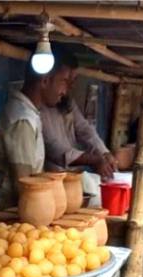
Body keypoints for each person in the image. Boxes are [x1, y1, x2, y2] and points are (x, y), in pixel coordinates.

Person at [0, 56, 72, 208]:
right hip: (11, 213)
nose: (65, 91)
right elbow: (25, 185)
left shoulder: (30, 114)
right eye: (64, 81)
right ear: (45, 81)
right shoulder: (22, 119)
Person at [40, 51, 116, 180]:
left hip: (72, 178)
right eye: (65, 81)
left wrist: (104, 152)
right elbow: (56, 150)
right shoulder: (38, 111)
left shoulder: (67, 102)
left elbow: (85, 130)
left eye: (73, 80)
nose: (70, 87)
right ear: (46, 80)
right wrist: (94, 160)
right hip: (52, 180)